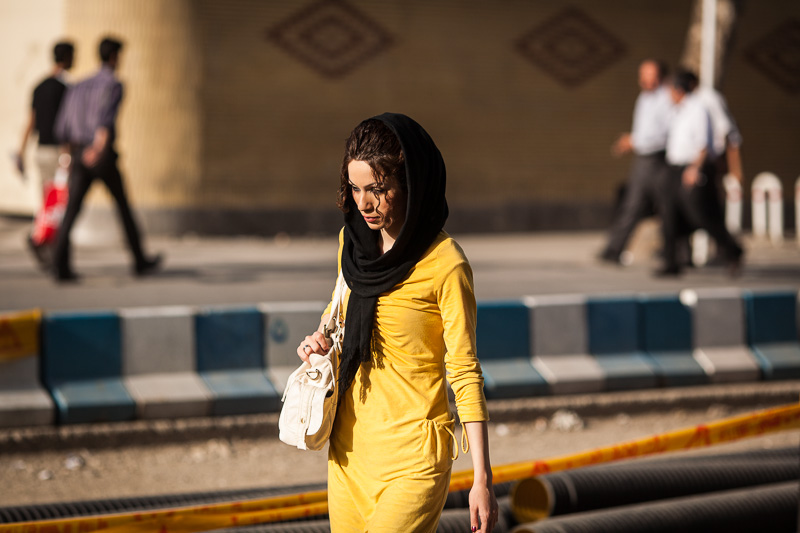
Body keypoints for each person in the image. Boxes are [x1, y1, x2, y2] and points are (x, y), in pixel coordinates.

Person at [296, 113, 498, 532]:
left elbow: (464, 370)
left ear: (410, 184)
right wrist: (319, 340)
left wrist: (482, 478)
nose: (364, 203)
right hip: (349, 452)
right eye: (354, 189)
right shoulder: (350, 244)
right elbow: (338, 315)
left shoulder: (446, 264)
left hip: (415, 459)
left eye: (378, 189)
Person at [52, 36, 161, 282]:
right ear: (114, 57)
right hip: (100, 154)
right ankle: (140, 260)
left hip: (79, 152)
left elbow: (64, 126)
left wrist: (68, 157)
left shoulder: (78, 86)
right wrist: (98, 149)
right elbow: (105, 119)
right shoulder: (113, 83)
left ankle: (59, 264)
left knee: (71, 210)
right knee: (122, 206)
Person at [656, 69, 743, 277]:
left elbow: (704, 143)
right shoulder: (677, 111)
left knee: (701, 215)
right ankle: (671, 261)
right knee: (668, 214)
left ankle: (733, 251)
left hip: (693, 168)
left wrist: (695, 168)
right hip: (673, 168)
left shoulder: (698, 108)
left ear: (679, 89)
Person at [598, 59, 673, 265]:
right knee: (632, 204)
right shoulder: (644, 98)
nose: (645, 80)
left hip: (660, 158)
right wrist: (633, 140)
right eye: (643, 75)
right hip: (643, 159)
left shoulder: (667, 98)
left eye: (650, 75)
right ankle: (614, 249)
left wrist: (634, 140)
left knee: (669, 207)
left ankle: (676, 253)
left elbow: (666, 133)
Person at [16, 41, 74, 267]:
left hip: (40, 151)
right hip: (58, 152)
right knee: (60, 206)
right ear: (67, 57)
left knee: (47, 203)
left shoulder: (38, 86)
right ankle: (48, 247)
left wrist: (21, 152)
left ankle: (46, 247)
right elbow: (66, 124)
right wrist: (67, 155)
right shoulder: (65, 88)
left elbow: (30, 122)